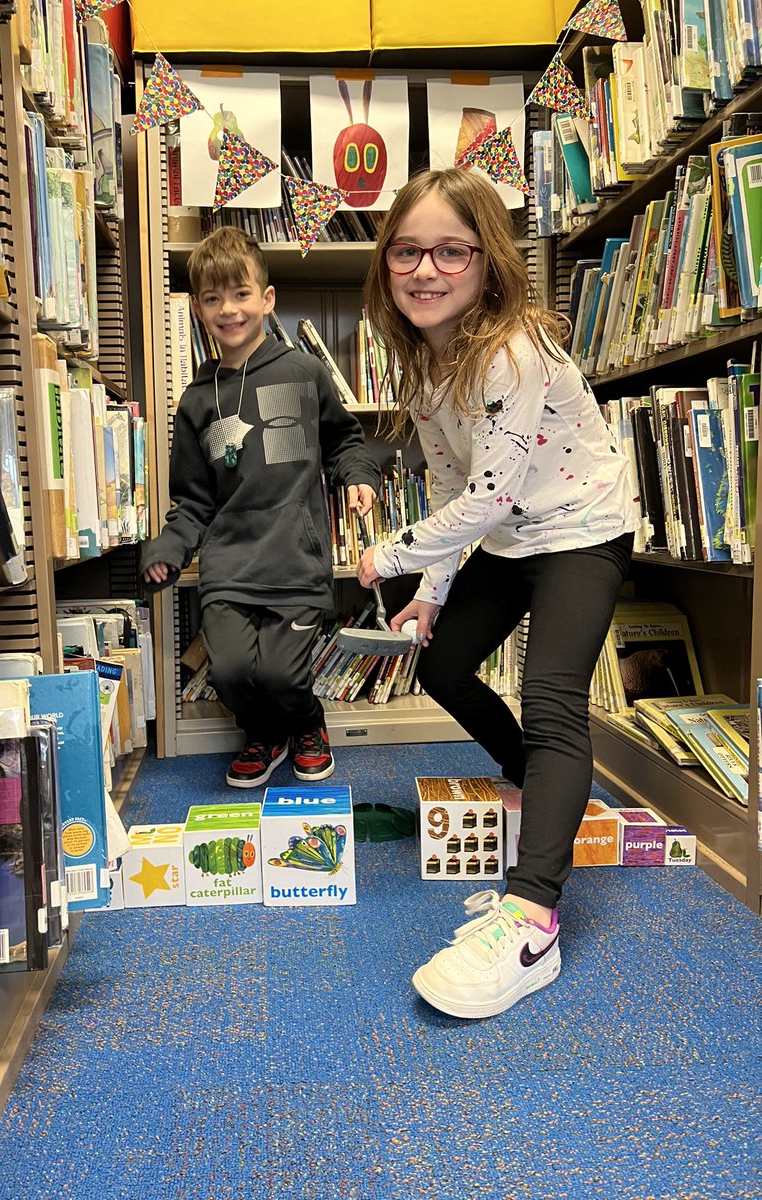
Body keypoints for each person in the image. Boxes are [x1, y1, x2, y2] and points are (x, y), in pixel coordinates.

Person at [358, 167, 641, 1019]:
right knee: (439, 665)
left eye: (452, 250)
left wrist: (390, 555)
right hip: (516, 535)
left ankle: (532, 920)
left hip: (584, 528)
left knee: (554, 700)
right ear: (387, 262)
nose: (426, 269)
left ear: (487, 261)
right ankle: (540, 783)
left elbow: (488, 497)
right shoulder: (426, 361)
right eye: (408, 250)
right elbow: (457, 488)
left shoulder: (511, 348)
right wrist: (431, 594)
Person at [141, 226, 380, 788]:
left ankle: (306, 726)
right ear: (199, 309)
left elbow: (345, 440)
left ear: (266, 300)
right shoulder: (197, 400)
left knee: (279, 673)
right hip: (230, 567)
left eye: (241, 294)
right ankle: (264, 735)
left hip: (295, 562)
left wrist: (357, 477)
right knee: (228, 669)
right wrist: (169, 549)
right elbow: (193, 500)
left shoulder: (303, 373)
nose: (229, 309)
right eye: (212, 298)